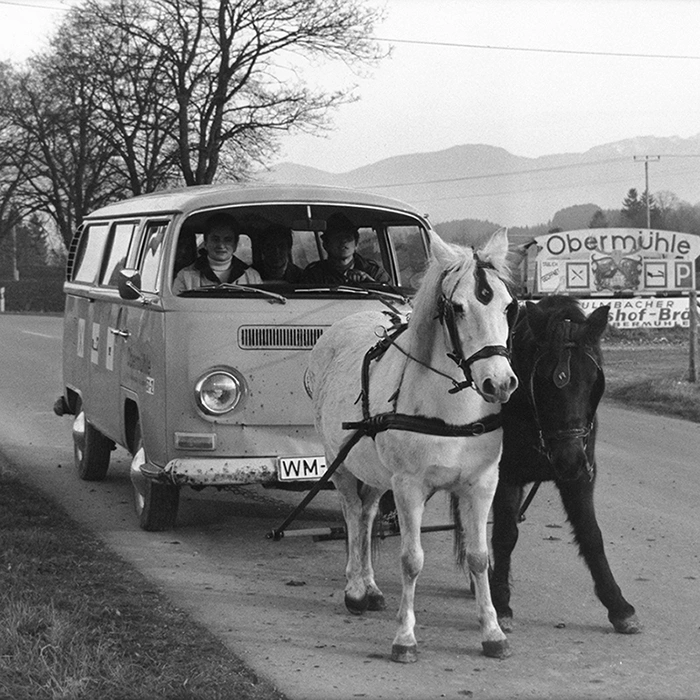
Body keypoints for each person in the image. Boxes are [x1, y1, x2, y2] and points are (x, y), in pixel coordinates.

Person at [172, 212, 262, 293]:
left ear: (235, 245)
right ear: (206, 243)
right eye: (215, 239)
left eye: (228, 240)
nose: (221, 245)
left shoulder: (252, 277)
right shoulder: (185, 276)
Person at [300, 212, 390, 285]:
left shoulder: (373, 271)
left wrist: (370, 282)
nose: (343, 242)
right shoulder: (314, 274)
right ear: (326, 245)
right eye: (337, 237)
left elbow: (391, 298)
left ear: (356, 244)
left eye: (348, 237)